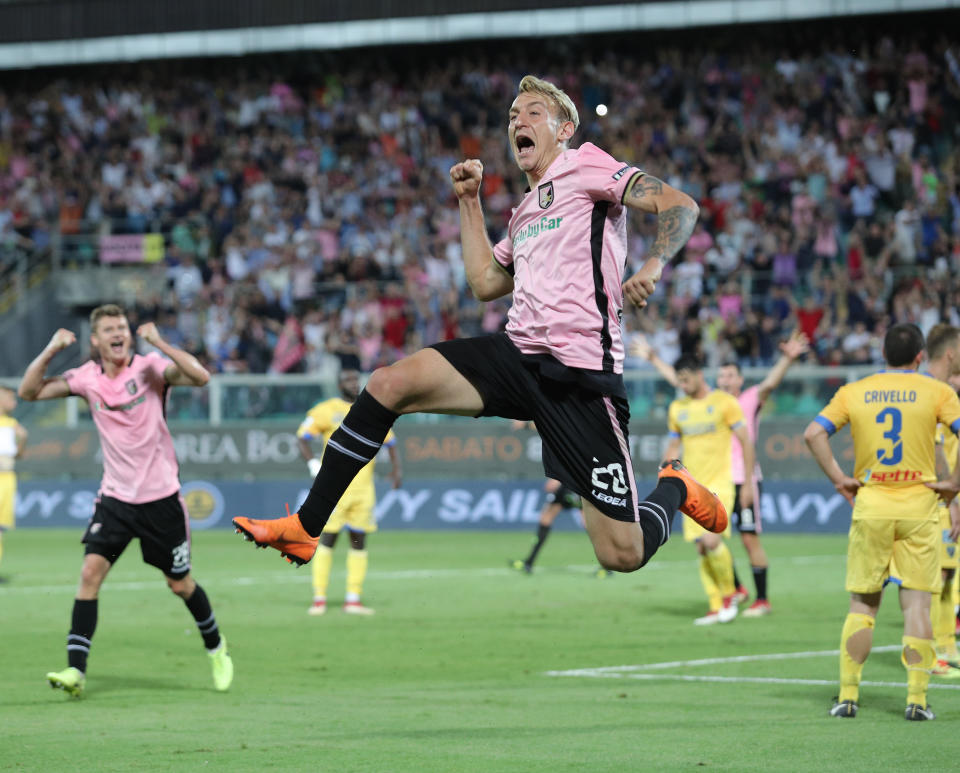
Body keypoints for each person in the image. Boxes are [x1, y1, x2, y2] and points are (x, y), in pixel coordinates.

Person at [234, 75, 726, 580]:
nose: (519, 121)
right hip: (517, 356)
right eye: (513, 115)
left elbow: (680, 205)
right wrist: (468, 201)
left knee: (620, 555)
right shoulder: (523, 212)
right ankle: (307, 526)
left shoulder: (587, 165)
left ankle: (675, 488)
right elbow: (485, 282)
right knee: (388, 384)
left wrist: (653, 266)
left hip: (580, 375)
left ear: (564, 130)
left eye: (533, 112)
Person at [18, 305, 234, 698]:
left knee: (180, 584)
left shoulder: (149, 367)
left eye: (123, 327)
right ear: (95, 340)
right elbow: (28, 391)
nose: (119, 333)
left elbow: (201, 377)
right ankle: (75, 670)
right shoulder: (86, 377)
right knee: (89, 575)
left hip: (161, 499)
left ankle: (217, 648)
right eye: (109, 329)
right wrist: (51, 348)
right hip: (115, 498)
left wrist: (158, 341)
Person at [804, 323, 960, 721]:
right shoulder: (937, 391)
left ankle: (848, 696)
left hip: (872, 505)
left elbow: (813, 434)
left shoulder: (855, 391)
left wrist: (839, 478)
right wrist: (954, 485)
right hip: (920, 508)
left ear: (883, 354)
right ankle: (917, 701)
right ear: (920, 357)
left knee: (863, 604)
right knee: (917, 607)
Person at [636, 331, 809, 615]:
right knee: (709, 542)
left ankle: (760, 597)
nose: (725, 380)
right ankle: (735, 591)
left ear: (740, 380)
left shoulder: (748, 399)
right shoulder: (702, 403)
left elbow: (770, 384)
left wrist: (788, 359)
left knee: (746, 538)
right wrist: (654, 359)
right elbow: (681, 381)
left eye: (731, 376)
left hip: (743, 478)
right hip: (715, 477)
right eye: (722, 376)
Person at [662, 355, 758, 625]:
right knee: (701, 549)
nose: (681, 384)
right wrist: (665, 473)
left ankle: (731, 596)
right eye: (678, 380)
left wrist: (748, 483)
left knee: (711, 541)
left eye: (685, 378)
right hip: (690, 486)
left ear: (698, 374)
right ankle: (715, 606)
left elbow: (746, 442)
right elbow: (673, 445)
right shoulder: (677, 408)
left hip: (719, 485)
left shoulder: (724, 403)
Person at [887, 324, 960, 677]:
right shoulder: (931, 392)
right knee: (935, 576)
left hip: (929, 495)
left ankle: (945, 648)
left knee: (947, 574)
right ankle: (927, 655)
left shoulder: (940, 389)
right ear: (950, 354)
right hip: (931, 497)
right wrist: (952, 494)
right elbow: (933, 448)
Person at [297, 368, 401, 616]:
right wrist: (313, 463)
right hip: (335, 490)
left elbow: (391, 441)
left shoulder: (370, 408)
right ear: (338, 384)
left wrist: (397, 470)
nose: (353, 384)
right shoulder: (326, 409)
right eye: (348, 380)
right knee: (328, 540)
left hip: (363, 490)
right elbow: (302, 437)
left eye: (356, 379)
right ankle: (319, 597)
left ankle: (353, 599)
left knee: (359, 542)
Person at [508, 420, 611, 577]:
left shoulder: (571, 429)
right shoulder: (570, 428)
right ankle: (529, 563)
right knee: (547, 518)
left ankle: (608, 564)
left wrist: (557, 478)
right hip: (570, 482)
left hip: (573, 482)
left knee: (587, 523)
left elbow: (552, 428)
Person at [0, 386, 28, 580]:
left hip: (7, 478)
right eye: (10, 398)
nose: (15, 402)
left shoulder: (11, 424)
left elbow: (21, 445)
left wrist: (21, 444)